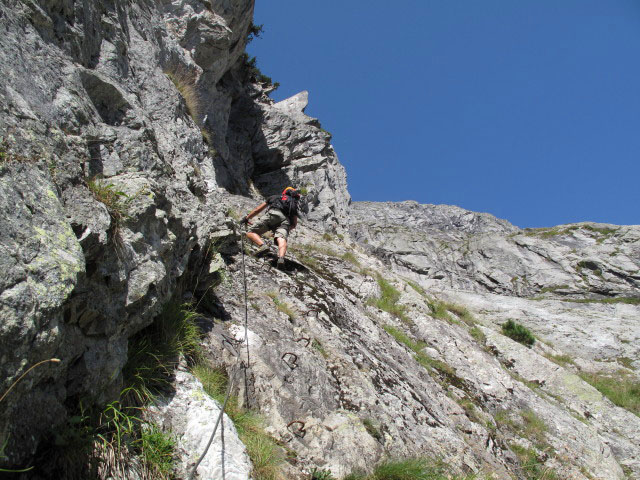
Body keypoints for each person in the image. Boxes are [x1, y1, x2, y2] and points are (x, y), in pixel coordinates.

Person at [242, 187, 301, 268]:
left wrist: (247, 218)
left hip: (273, 214)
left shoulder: (275, 197)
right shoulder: (293, 204)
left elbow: (257, 209)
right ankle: (281, 258)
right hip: (285, 221)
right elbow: (294, 224)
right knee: (281, 238)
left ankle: (263, 246)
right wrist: (283, 230)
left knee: (250, 232)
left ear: (284, 192)